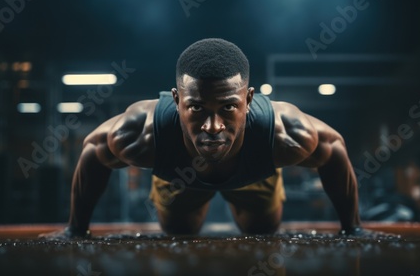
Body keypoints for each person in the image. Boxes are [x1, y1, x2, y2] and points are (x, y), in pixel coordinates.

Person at [40, 38, 367, 239]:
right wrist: (76, 230)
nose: (212, 126)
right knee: (179, 234)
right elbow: (94, 151)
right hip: (179, 179)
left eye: (228, 107)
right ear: (177, 100)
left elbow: (334, 147)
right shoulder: (143, 132)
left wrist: (352, 229)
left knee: (261, 232)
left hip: (254, 176)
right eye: (196, 107)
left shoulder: (284, 132)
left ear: (249, 100)